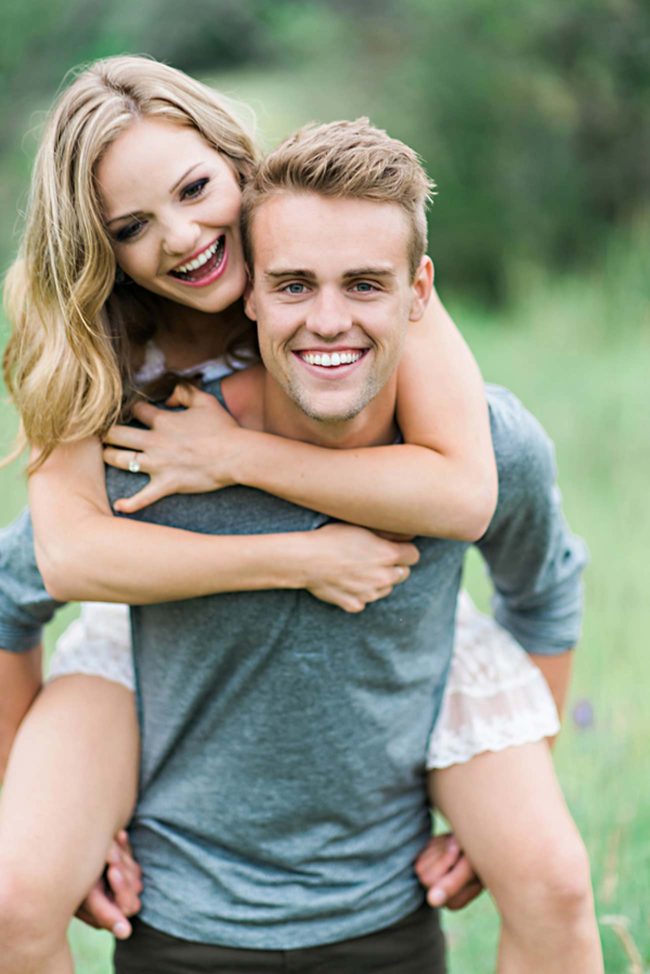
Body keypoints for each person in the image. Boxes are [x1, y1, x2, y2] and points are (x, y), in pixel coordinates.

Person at [0, 101, 603, 974]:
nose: (180, 237)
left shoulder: (422, 366)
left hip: (415, 660)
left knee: (555, 881)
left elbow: (480, 504)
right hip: (143, 643)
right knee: (16, 892)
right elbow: (50, 564)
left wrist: (238, 456)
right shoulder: (123, 402)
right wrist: (44, 815)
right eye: (132, 225)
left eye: (195, 190)